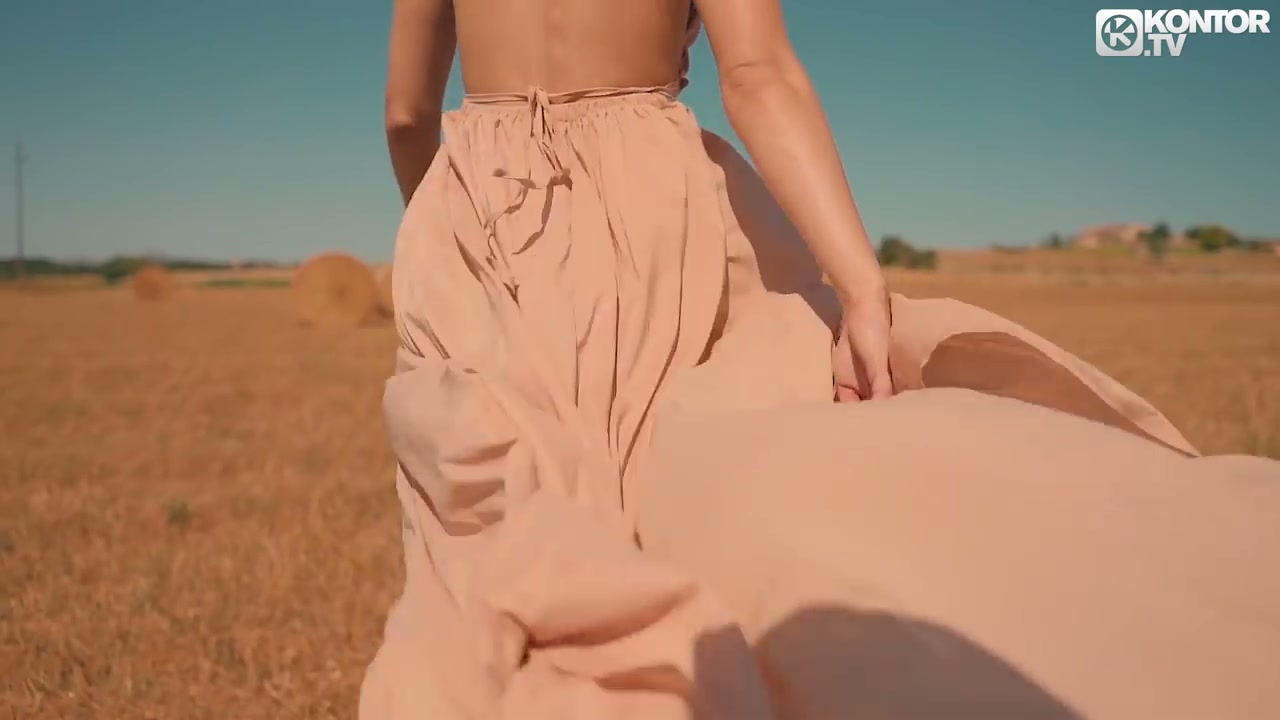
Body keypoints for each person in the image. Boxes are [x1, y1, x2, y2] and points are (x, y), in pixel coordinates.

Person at [362, 1, 1280, 718]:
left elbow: (407, 113)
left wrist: (455, 239)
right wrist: (862, 288)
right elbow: (757, 74)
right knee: (687, 504)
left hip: (475, 212)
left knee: (492, 536)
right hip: (650, 210)